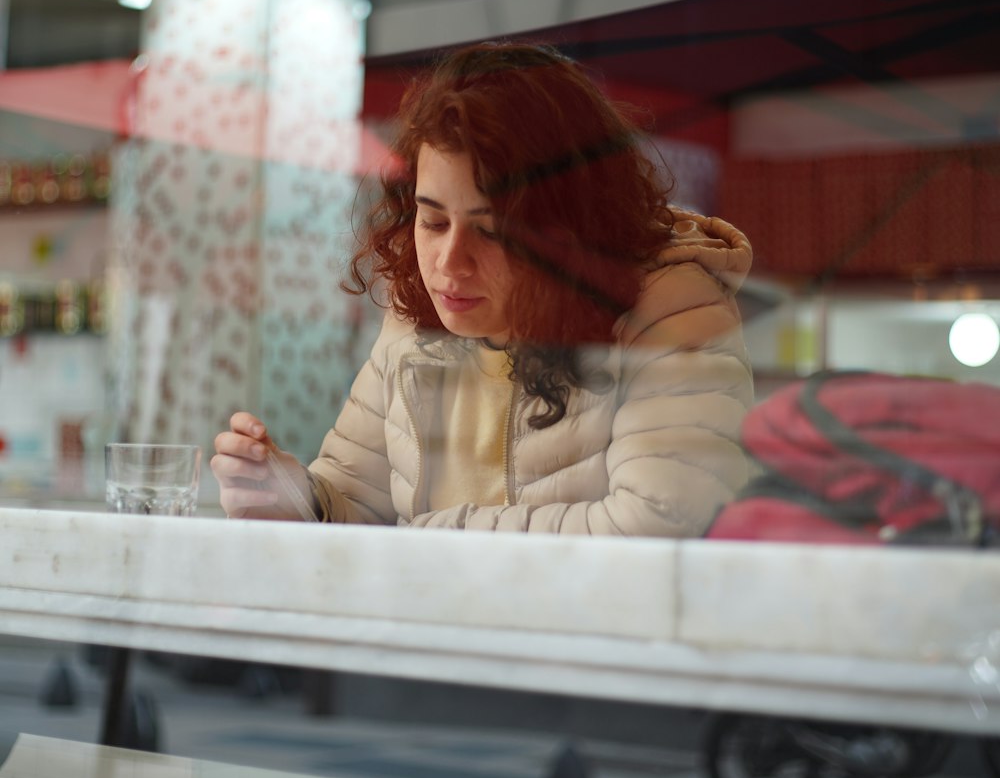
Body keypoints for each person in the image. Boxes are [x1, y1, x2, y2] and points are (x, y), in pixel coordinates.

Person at [212, 41, 753, 535]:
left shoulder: (669, 306)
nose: (450, 262)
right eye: (432, 221)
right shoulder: (418, 316)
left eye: (492, 230)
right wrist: (297, 499)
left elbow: (661, 524)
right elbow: (359, 501)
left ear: (567, 231)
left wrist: (430, 538)